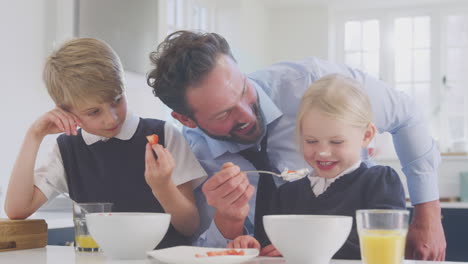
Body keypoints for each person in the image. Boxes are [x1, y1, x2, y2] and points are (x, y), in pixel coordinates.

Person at [147, 30, 446, 260]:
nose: (248, 115)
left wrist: (428, 215)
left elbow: (408, 116)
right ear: (186, 120)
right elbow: (218, 246)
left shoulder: (316, 85)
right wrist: (231, 226)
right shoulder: (196, 157)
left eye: (243, 90)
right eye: (224, 113)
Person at [4, 38, 207, 248]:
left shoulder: (164, 135)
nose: (111, 119)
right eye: (93, 112)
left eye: (117, 100)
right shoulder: (67, 149)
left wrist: (163, 187)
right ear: (64, 111)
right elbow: (17, 209)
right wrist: (34, 135)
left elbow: (189, 226)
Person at [226, 74, 406, 259]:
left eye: (336, 142)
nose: (322, 152)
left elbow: (380, 244)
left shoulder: (380, 182)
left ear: (366, 136)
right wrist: (251, 246)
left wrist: (302, 248)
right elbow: (269, 247)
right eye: (311, 141)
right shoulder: (285, 195)